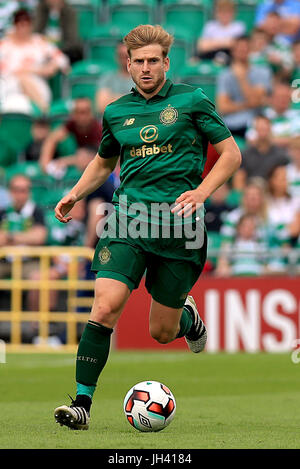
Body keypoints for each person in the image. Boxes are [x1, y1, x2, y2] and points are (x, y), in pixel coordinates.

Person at [53, 24, 241, 430]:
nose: (145, 68)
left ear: (166, 63)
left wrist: (202, 192)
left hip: (179, 227)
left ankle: (187, 321)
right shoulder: (116, 111)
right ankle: (82, 404)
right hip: (128, 219)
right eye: (138, 61)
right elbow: (104, 162)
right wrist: (76, 193)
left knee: (161, 331)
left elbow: (230, 153)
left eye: (153, 60)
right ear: (128, 65)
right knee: (104, 306)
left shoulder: (193, 100)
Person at [0, 8, 69, 114]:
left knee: (23, 78)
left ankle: (44, 111)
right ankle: (45, 111)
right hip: (8, 84)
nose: (22, 28)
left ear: (30, 25)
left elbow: (62, 60)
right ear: (15, 25)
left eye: (26, 24)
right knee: (18, 79)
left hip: (36, 84)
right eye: (19, 24)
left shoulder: (39, 42)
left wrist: (48, 67)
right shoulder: (4, 44)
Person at [216, 35, 272, 138]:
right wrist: (246, 105)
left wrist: (242, 78)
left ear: (250, 50)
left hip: (255, 124)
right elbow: (223, 107)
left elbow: (255, 101)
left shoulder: (262, 72)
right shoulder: (225, 75)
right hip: (231, 125)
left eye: (245, 49)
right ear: (233, 52)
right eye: (239, 49)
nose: (242, 52)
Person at [0, 174, 47, 278]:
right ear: (10, 191)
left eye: (23, 190)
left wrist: (9, 237)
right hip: (3, 260)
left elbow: (39, 237)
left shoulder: (36, 212)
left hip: (28, 262)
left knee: (39, 278)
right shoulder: (3, 212)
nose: (19, 195)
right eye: (16, 190)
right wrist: (26, 237)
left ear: (29, 192)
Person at [39, 97, 102, 173]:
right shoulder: (72, 124)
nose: (82, 117)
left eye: (85, 112)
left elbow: (94, 157)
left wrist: (65, 161)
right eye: (78, 112)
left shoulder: (99, 130)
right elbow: (52, 139)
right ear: (73, 114)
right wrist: (45, 164)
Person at [233, 114, 290, 189]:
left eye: (265, 129)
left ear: (270, 129)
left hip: (271, 194)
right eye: (260, 129)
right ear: (255, 130)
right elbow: (239, 178)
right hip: (250, 193)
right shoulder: (245, 154)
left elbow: (283, 179)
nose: (263, 132)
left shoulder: (280, 155)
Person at [196, 0, 246, 65]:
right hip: (210, 55)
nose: (224, 15)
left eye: (227, 12)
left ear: (233, 13)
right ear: (217, 13)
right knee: (194, 60)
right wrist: (226, 42)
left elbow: (237, 46)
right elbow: (202, 46)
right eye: (221, 12)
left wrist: (212, 42)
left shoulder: (239, 26)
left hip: (230, 56)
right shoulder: (210, 26)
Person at [95, 42, 134, 115]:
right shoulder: (107, 78)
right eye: (121, 56)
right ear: (116, 57)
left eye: (126, 56)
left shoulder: (141, 78)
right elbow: (102, 107)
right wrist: (132, 99)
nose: (124, 60)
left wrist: (113, 98)